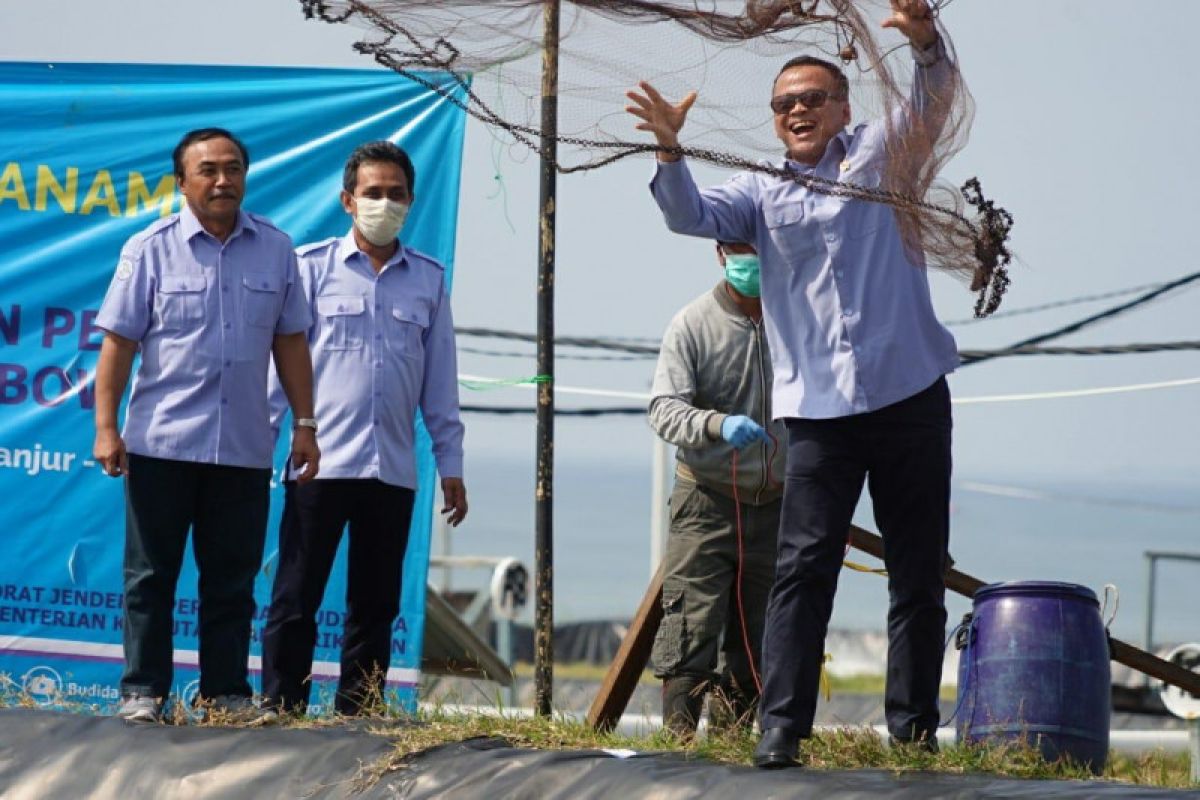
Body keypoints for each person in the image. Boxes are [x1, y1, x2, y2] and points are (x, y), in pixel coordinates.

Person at [626, 0, 958, 767]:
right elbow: (688, 217)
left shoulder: (883, 153)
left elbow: (935, 102)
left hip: (910, 393)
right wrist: (671, 150)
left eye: (812, 99)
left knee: (918, 570)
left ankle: (912, 733)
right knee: (803, 569)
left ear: (842, 107)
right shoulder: (761, 189)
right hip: (819, 412)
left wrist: (924, 43)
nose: (798, 111)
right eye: (784, 105)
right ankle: (781, 730)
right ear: (774, 122)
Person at [93, 127, 319, 724]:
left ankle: (224, 694)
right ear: (183, 182)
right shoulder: (150, 248)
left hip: (243, 449)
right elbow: (117, 344)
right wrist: (105, 428)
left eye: (234, 169)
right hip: (162, 443)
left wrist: (305, 423)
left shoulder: (276, 248)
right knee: (150, 577)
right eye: (209, 171)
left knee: (232, 582)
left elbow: (291, 342)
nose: (223, 181)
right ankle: (143, 691)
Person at [260, 140, 467, 717]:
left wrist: (450, 465)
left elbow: (440, 385)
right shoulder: (309, 269)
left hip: (392, 470)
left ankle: (360, 716)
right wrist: (257, 450)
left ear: (411, 201)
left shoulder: (427, 280)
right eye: (372, 193)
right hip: (318, 465)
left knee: (375, 606)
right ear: (348, 200)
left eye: (395, 194)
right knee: (296, 597)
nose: (384, 203)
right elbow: (282, 370)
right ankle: (280, 710)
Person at [648, 241, 786, 738]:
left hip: (775, 504)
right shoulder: (692, 323)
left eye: (759, 247)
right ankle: (679, 749)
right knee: (690, 629)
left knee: (760, 640)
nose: (751, 259)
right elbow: (662, 409)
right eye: (740, 249)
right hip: (705, 499)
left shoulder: (797, 318)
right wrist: (716, 425)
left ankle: (731, 752)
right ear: (720, 253)